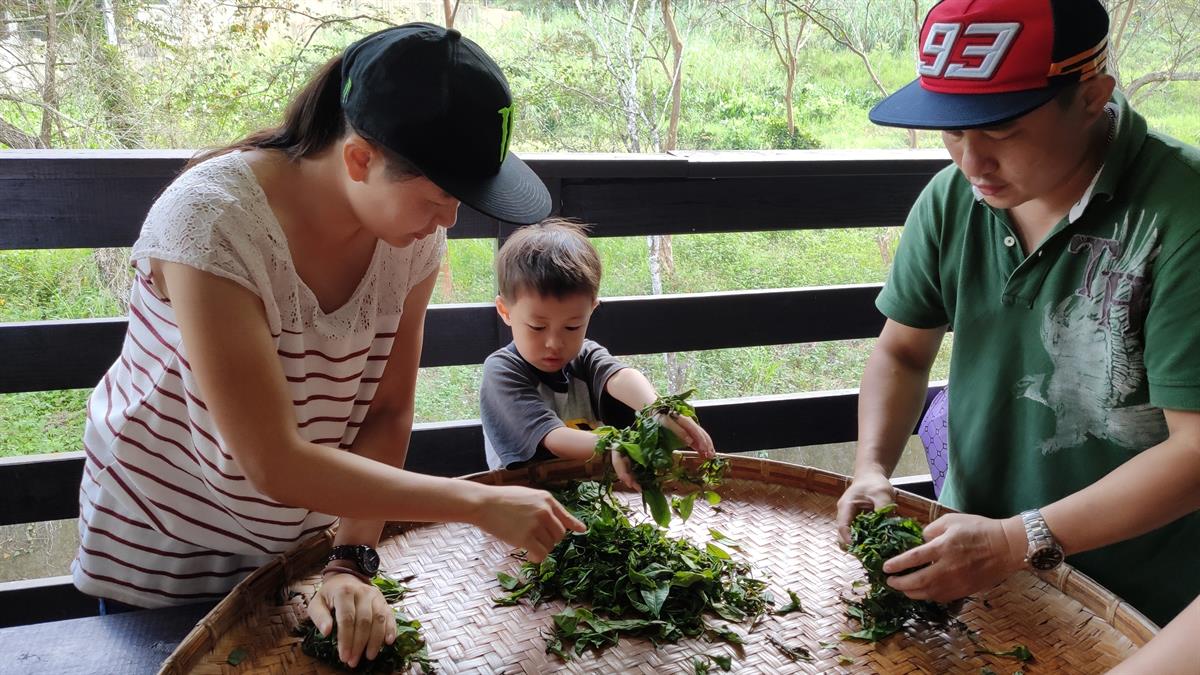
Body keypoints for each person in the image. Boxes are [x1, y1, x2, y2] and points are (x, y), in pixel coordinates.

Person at [73, 23, 585, 668]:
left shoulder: (412, 240)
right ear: (359, 158)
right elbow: (274, 461)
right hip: (165, 556)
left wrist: (349, 560)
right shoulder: (211, 223)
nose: (451, 220)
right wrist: (478, 503)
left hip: (299, 551)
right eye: (438, 196)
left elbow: (387, 410)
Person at [835, 0, 1200, 627]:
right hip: (972, 574)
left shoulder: (1183, 213)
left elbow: (1195, 451)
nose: (971, 163)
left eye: (1000, 131)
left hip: (1138, 603)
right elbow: (902, 351)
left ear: (1092, 96)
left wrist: (1016, 539)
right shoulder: (953, 198)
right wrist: (871, 467)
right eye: (952, 131)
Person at [480, 219, 716, 486]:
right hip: (523, 503)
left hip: (591, 496)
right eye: (537, 326)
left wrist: (657, 409)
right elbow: (553, 437)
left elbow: (621, 376)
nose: (554, 343)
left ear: (591, 309)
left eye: (572, 326)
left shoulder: (584, 355)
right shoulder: (503, 371)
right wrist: (616, 443)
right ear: (505, 311)